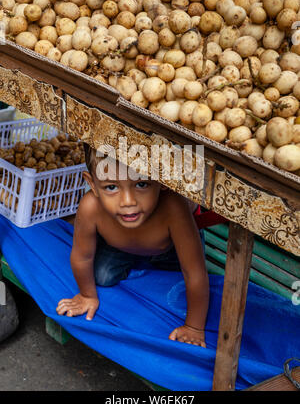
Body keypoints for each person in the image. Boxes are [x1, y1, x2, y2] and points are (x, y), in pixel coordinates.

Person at [56, 144, 209, 347]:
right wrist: (87, 295)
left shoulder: (173, 206)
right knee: (101, 277)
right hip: (120, 246)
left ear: (162, 181)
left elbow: (194, 272)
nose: (128, 201)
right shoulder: (90, 206)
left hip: (170, 249)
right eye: (111, 187)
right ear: (92, 184)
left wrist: (194, 327)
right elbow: (82, 256)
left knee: (176, 290)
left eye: (142, 184)